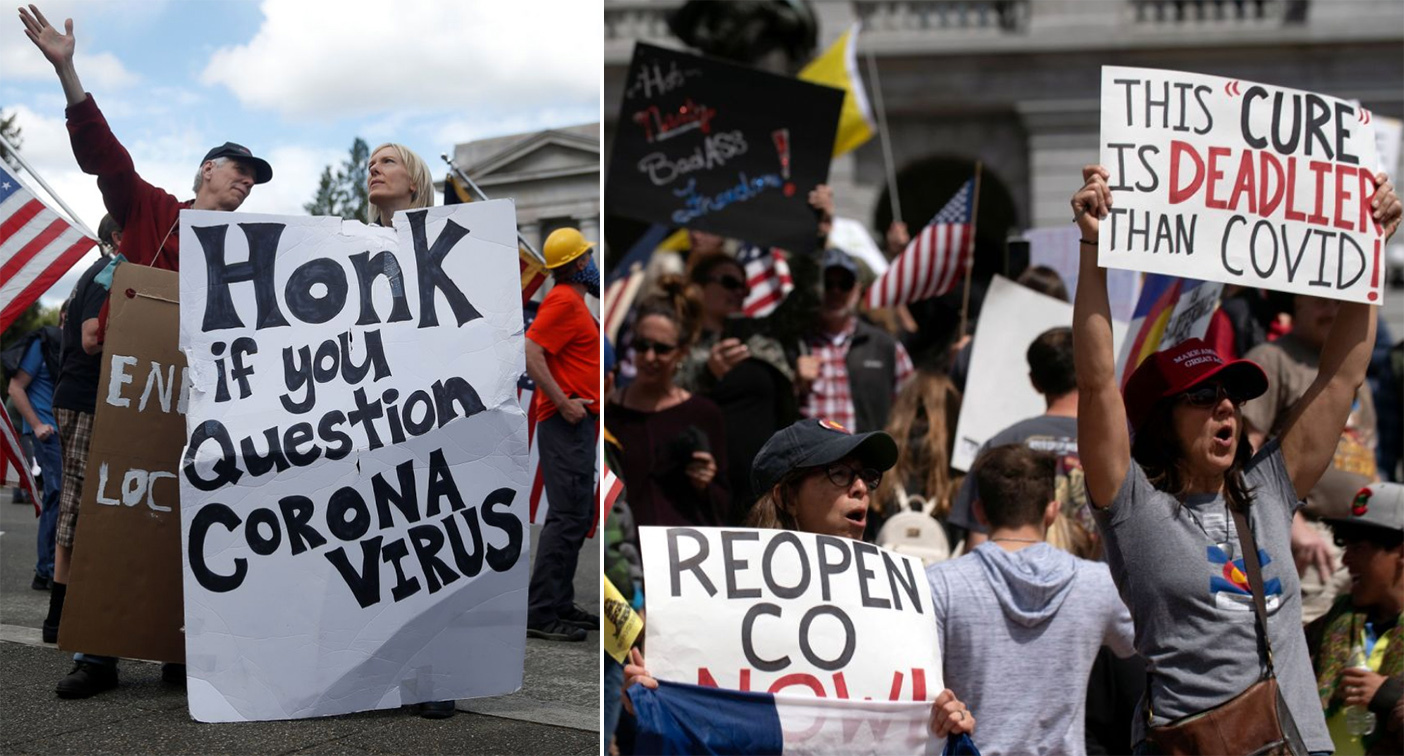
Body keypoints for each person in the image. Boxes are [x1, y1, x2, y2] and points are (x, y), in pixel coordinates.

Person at [1070, 163, 1401, 754]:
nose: (1225, 408)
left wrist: (1367, 249)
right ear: (1160, 423)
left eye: (1232, 396)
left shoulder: (1266, 491)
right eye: (1202, 397)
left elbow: (1343, 375)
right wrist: (1093, 246)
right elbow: (1097, 385)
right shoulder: (1134, 510)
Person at [625, 418, 977, 746]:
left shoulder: (895, 600)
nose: (860, 489)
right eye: (839, 473)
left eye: (866, 476)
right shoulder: (708, 598)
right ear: (786, 497)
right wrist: (650, 700)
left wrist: (943, 722)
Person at [20, 5, 272, 272]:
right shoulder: (153, 210)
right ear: (208, 168)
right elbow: (109, 160)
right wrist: (66, 70)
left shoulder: (250, 251)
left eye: (253, 181)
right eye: (241, 170)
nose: (249, 181)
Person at [927, 443, 1135, 756]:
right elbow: (1144, 646)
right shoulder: (1096, 585)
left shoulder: (940, 584)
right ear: (1052, 510)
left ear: (979, 511)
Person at [1245, 292, 1381, 623]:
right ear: (1297, 303)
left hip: (1357, 541)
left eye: (1340, 302)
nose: (1332, 311)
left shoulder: (1351, 370)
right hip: (1307, 541)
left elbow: (1368, 457)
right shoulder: (1273, 358)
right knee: (1303, 647)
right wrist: (1294, 526)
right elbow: (1244, 453)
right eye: (1321, 301)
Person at [950, 327, 1095, 559]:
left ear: (1034, 382)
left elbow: (979, 546)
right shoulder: (1119, 447)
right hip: (1101, 589)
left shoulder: (1001, 445)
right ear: (1089, 371)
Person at [674, 252, 798, 519]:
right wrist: (706, 374)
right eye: (730, 282)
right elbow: (665, 399)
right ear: (698, 286)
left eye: (745, 286)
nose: (740, 292)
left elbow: (804, 305)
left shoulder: (758, 336)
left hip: (765, 485)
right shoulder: (679, 341)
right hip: (706, 486)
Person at [524, 227, 602, 643]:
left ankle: (558, 603)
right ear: (576, 265)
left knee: (574, 514)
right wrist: (565, 401)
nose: (592, 264)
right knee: (568, 514)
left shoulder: (575, 303)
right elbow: (530, 350)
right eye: (587, 258)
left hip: (577, 423)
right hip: (567, 421)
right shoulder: (562, 301)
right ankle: (541, 611)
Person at [606, 281, 728, 527]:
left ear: (681, 353)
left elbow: (724, 501)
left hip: (684, 552)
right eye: (642, 346)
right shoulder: (611, 412)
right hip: (624, 555)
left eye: (661, 349)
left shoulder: (703, 413)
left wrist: (705, 483)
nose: (649, 357)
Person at [1307, 482, 1404, 755]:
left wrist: (1387, 695)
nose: (1346, 560)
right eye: (1345, 546)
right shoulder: (1332, 623)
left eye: (1359, 548)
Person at [798, 247, 914, 434]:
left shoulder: (884, 346)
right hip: (811, 460)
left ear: (858, 289)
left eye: (845, 284)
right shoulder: (796, 344)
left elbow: (909, 406)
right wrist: (794, 385)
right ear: (815, 287)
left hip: (867, 460)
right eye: (828, 283)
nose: (836, 291)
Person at [4, 313, 63, 591]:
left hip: (59, 432)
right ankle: (48, 569)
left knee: (59, 496)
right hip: (47, 432)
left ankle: (48, 570)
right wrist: (38, 424)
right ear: (66, 315)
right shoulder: (45, 342)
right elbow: (15, 387)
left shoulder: (64, 345)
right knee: (58, 494)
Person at [365, 142, 435, 226]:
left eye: (388, 161)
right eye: (370, 166)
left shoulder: (444, 237)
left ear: (414, 180)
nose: (373, 169)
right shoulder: (354, 237)